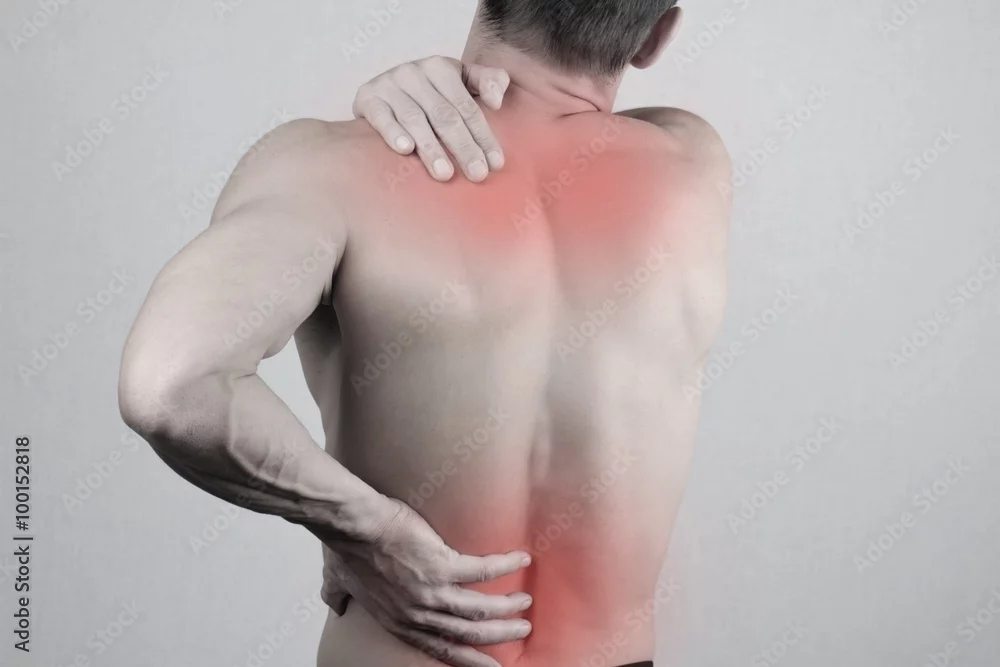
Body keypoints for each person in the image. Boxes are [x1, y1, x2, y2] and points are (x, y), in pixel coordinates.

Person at [117, 1, 731, 666]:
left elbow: (172, 386)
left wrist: (364, 529)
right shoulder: (693, 163)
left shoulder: (324, 166)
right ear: (657, 35)